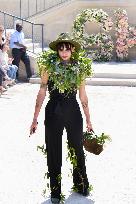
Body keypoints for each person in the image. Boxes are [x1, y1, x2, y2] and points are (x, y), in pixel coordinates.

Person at [30, 33, 93, 204]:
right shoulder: (48, 67)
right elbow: (42, 91)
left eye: (67, 48)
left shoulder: (79, 68)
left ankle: (80, 184)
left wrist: (88, 119)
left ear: (72, 49)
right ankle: (55, 191)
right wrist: (34, 118)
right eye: (61, 48)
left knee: (77, 149)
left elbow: (83, 95)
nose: (64, 52)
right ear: (57, 50)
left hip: (73, 111)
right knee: (53, 151)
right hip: (53, 112)